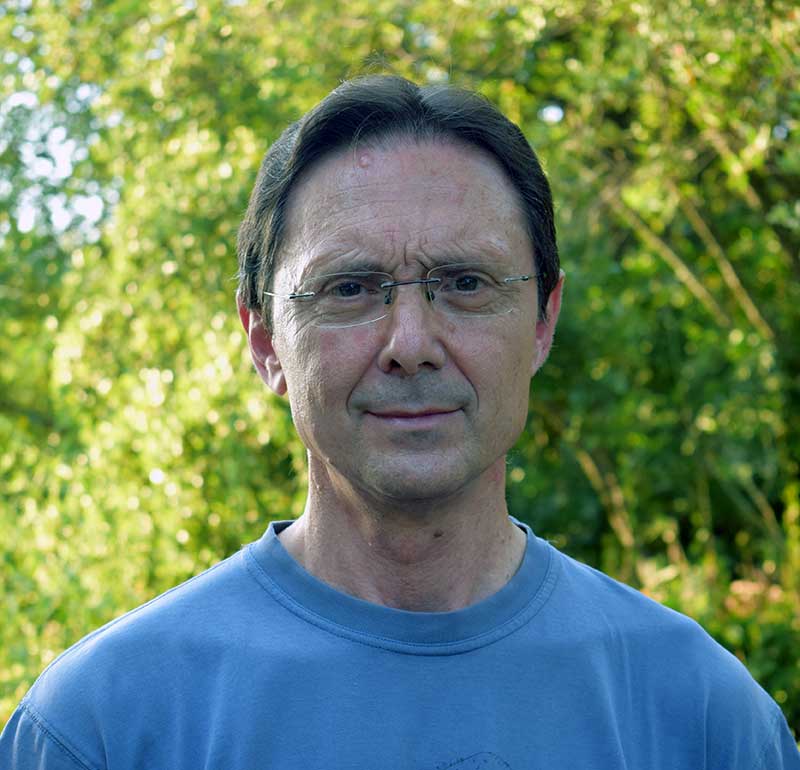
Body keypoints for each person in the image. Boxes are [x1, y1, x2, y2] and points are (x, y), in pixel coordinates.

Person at [1, 75, 797, 769]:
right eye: (350, 288)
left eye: (465, 283)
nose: (410, 345)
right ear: (265, 341)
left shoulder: (702, 716)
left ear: (543, 321)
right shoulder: (102, 726)